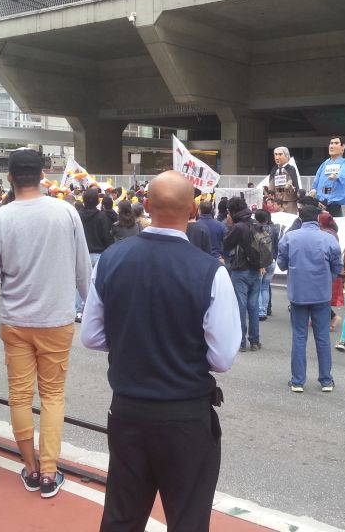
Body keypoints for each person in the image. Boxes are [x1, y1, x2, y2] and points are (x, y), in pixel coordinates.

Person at [80, 171, 239, 531]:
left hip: (128, 410)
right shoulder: (210, 272)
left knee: (122, 515)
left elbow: (90, 336)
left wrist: (128, 339)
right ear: (192, 210)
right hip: (185, 416)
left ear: (146, 206)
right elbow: (222, 358)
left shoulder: (111, 260)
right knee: (187, 519)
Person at [0, 149, 91, 498]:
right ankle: (49, 473)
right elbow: (82, 271)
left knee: (19, 395)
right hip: (56, 320)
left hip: (15, 318)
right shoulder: (66, 212)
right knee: (53, 396)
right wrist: (92, 309)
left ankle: (29, 468)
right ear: (43, 175)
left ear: (9, 177)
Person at [277, 205, 342, 392]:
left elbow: (281, 264)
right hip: (321, 293)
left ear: (300, 217)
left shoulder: (290, 237)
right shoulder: (328, 239)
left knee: (299, 336)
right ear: (318, 218)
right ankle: (326, 380)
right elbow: (338, 267)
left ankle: (298, 381)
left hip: (298, 293)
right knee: (322, 338)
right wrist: (328, 277)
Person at [223, 196, 263, 351]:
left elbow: (226, 244)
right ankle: (254, 341)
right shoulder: (256, 224)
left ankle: (240, 341)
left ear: (232, 211)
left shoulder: (238, 227)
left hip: (240, 270)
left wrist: (229, 225)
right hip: (256, 269)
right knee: (253, 306)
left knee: (240, 306)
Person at [75, 188, 113, 321]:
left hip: (81, 252)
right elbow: (106, 235)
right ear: (97, 200)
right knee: (96, 284)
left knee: (80, 282)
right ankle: (94, 312)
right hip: (98, 253)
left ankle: (78, 311)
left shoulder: (77, 215)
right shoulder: (102, 216)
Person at [312, 136, 345, 216]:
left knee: (337, 223)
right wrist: (314, 188)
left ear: (343, 147)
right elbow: (317, 176)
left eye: (336, 143)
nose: (332, 146)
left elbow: (343, 173)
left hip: (336, 202)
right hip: (322, 200)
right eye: (331, 143)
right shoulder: (325, 163)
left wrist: (337, 176)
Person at [254, 209, 279, 321]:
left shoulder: (256, 230)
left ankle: (259, 311)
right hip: (271, 261)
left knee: (258, 287)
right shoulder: (274, 229)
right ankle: (263, 310)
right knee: (265, 287)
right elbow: (277, 245)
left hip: (260, 262)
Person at [268, 147, 299, 214]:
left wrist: (291, 187)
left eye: (280, 154)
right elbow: (271, 183)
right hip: (277, 201)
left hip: (289, 200)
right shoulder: (274, 170)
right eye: (275, 154)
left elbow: (294, 183)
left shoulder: (291, 169)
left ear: (287, 155)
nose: (277, 157)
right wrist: (270, 193)